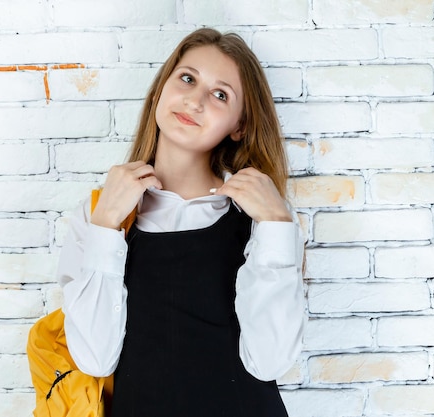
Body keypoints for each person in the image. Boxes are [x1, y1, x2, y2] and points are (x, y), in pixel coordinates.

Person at [57, 27, 306, 417]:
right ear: (161, 90)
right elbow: (94, 359)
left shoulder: (263, 220)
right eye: (187, 78)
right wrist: (106, 224)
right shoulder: (97, 214)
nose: (195, 100)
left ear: (239, 125)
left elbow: (270, 362)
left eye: (220, 94)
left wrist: (276, 223)